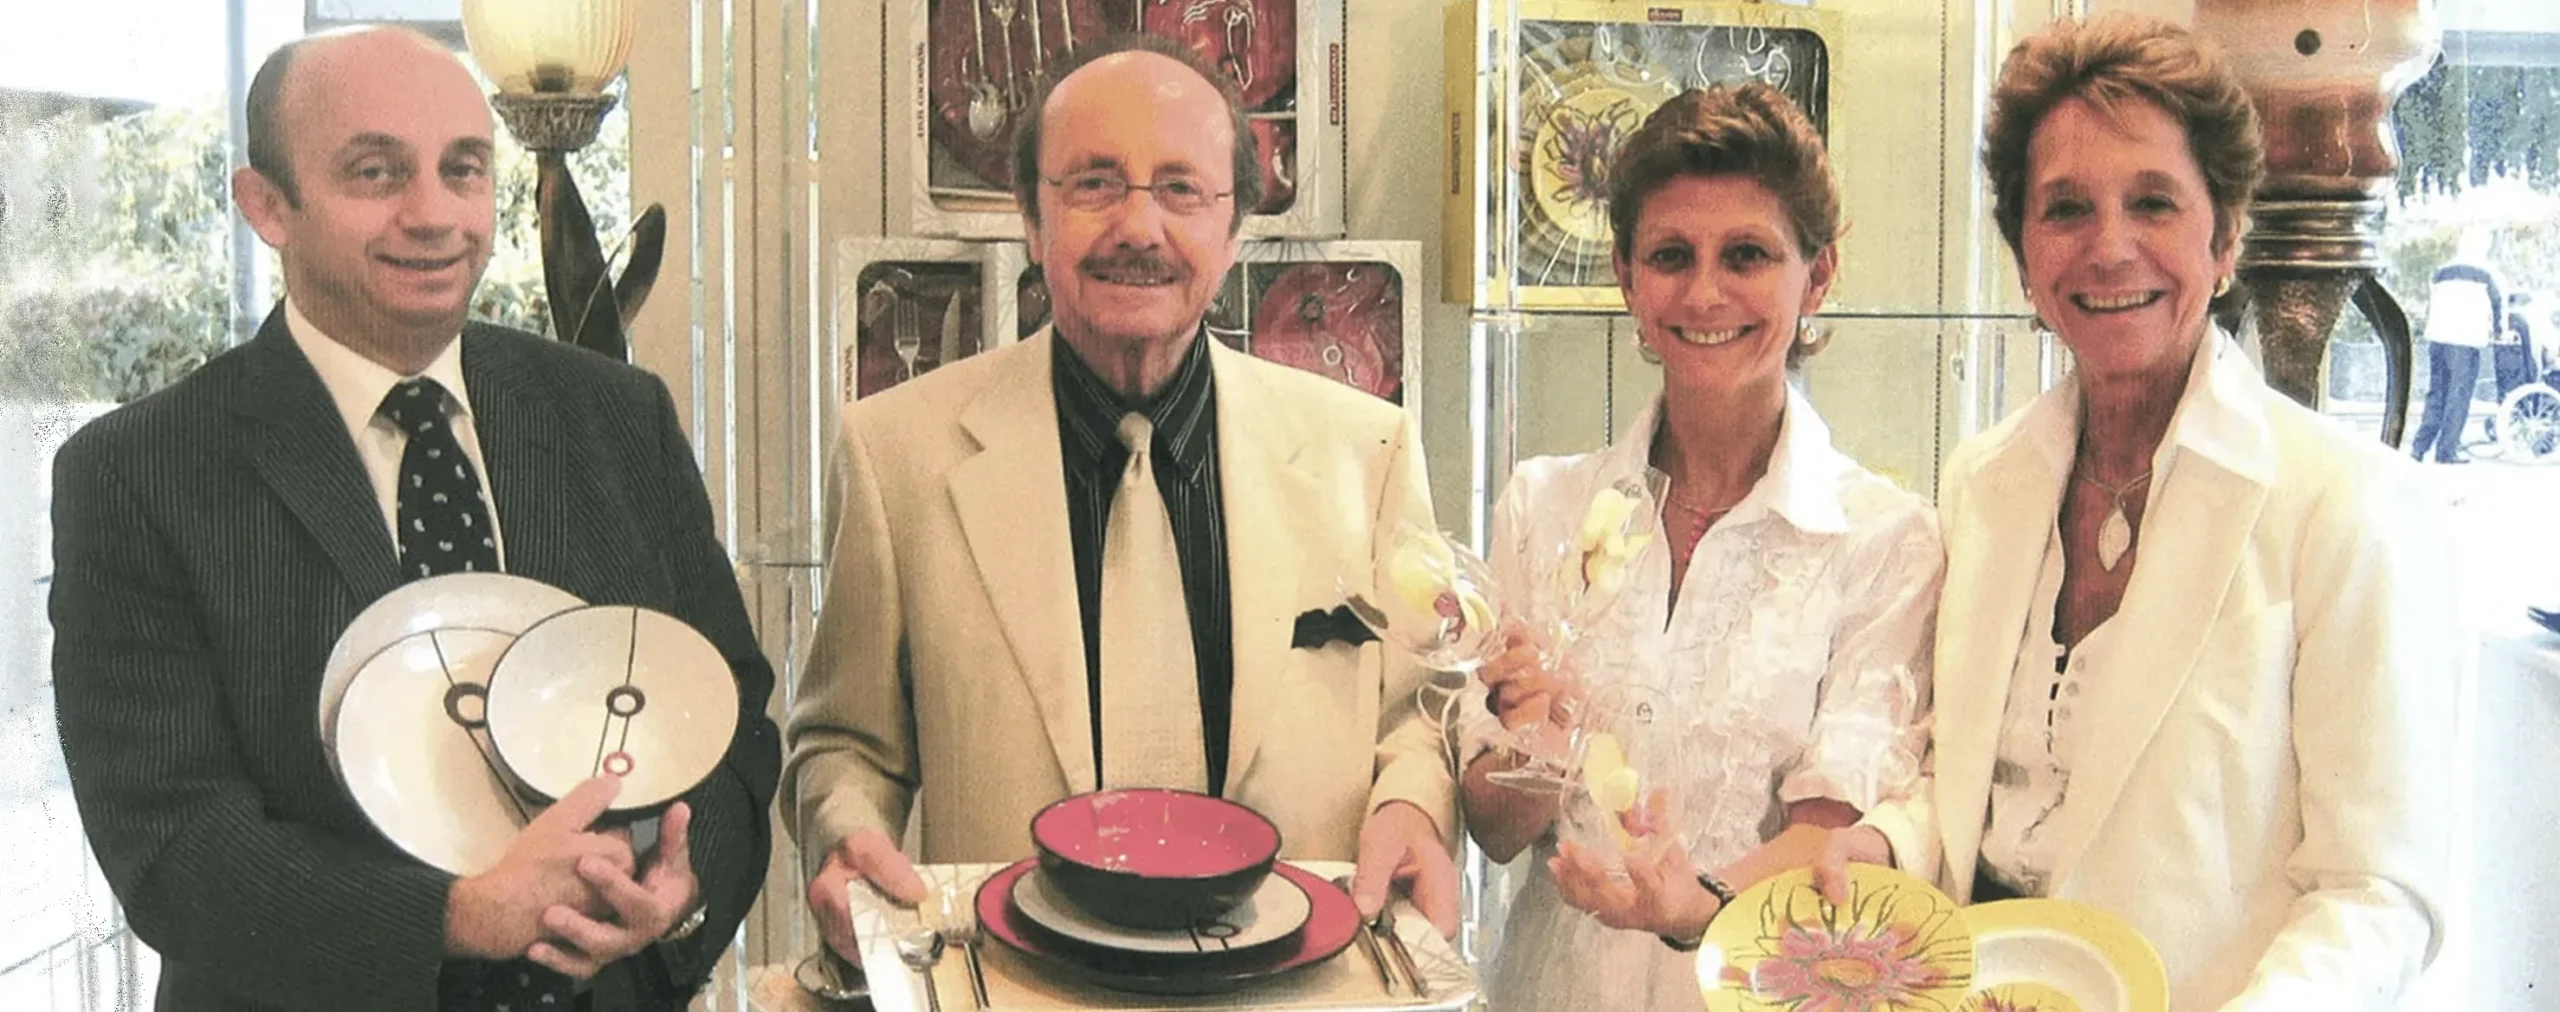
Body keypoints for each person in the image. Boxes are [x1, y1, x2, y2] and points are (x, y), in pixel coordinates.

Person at [47, 27, 779, 1011]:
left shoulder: (618, 416)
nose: (433, 215)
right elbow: (172, 845)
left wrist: (679, 892)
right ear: (266, 205)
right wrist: (456, 915)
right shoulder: (138, 472)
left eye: (462, 168)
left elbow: (728, 713)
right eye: (376, 172)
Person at [1814, 15, 2456, 1009]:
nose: (2109, 248)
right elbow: (1985, 787)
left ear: (2224, 234)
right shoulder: (1982, 482)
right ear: (2024, 258)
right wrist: (1888, 841)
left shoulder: (2346, 505)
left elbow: (2377, 893)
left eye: (2153, 201)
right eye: (2065, 208)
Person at [784, 33, 1460, 965]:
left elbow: (1418, 715)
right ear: (1032, 221)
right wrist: (846, 831)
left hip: (1299, 984)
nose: (1139, 228)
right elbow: (845, 742)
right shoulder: (896, 455)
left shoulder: (1367, 452)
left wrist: (1412, 805)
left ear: (1235, 228)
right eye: (1095, 183)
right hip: (1018, 983)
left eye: (1181, 189)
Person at [1456, 83, 1942, 1010]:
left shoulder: (1885, 541)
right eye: (1671, 256)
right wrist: (1543, 739)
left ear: (1818, 275)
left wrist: (1693, 905)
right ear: (1628, 277)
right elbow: (1494, 829)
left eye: (1748, 255)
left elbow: (1827, 837)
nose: (1706, 292)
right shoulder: (1543, 507)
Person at [2409, 229, 2504, 463]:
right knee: (2457, 398)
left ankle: (2419, 447)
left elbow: (2431, 305)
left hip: (2438, 340)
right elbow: (2497, 304)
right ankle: (2446, 451)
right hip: (2465, 342)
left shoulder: (2441, 273)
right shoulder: (2484, 274)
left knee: (2436, 394)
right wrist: (2498, 332)